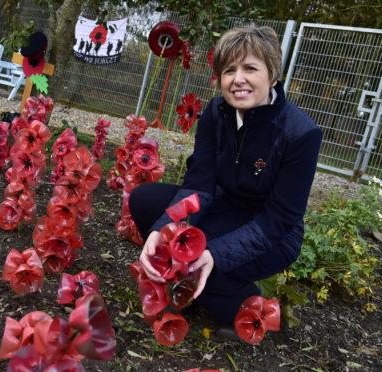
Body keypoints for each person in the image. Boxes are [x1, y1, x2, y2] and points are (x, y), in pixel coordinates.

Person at [129, 25, 323, 338]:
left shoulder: (300, 134)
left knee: (201, 258)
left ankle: (249, 311)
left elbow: (280, 219)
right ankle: (190, 286)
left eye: (250, 68)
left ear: (272, 74)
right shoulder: (216, 114)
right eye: (229, 70)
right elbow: (199, 186)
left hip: (272, 231)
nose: (238, 79)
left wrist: (214, 254)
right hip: (223, 206)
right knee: (145, 200)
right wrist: (160, 230)